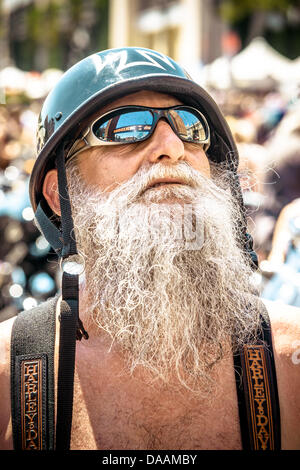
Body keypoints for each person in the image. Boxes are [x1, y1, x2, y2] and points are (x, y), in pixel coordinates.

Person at [0, 47, 300, 452]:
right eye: (125, 127)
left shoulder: (289, 361)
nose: (171, 146)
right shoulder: (10, 377)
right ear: (59, 195)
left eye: (190, 126)